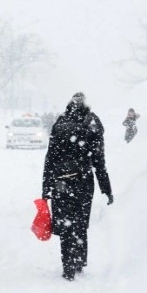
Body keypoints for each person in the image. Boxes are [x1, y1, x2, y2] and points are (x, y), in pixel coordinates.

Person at [42, 92, 113, 281]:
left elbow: (50, 157)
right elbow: (99, 160)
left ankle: (68, 266)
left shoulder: (60, 123)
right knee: (80, 223)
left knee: (66, 225)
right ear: (85, 106)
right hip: (83, 181)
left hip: (61, 182)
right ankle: (79, 260)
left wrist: (46, 187)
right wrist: (106, 188)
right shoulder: (92, 123)